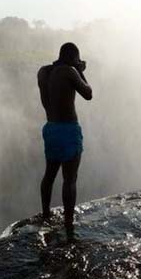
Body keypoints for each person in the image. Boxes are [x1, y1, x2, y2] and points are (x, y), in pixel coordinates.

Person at [37, 42, 93, 239]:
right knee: (69, 180)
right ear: (72, 58)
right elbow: (88, 94)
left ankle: (45, 213)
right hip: (68, 129)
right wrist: (79, 70)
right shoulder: (69, 71)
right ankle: (69, 225)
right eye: (77, 59)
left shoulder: (43, 72)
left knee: (49, 174)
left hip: (50, 128)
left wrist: (74, 66)